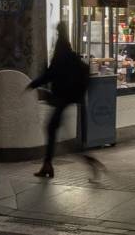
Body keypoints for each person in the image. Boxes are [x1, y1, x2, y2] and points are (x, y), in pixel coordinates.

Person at [26, 22, 89, 178]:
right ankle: (48, 164)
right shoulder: (66, 48)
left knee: (55, 132)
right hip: (65, 98)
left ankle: (88, 161)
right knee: (53, 130)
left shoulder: (60, 50)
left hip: (62, 98)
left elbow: (51, 73)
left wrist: (33, 84)